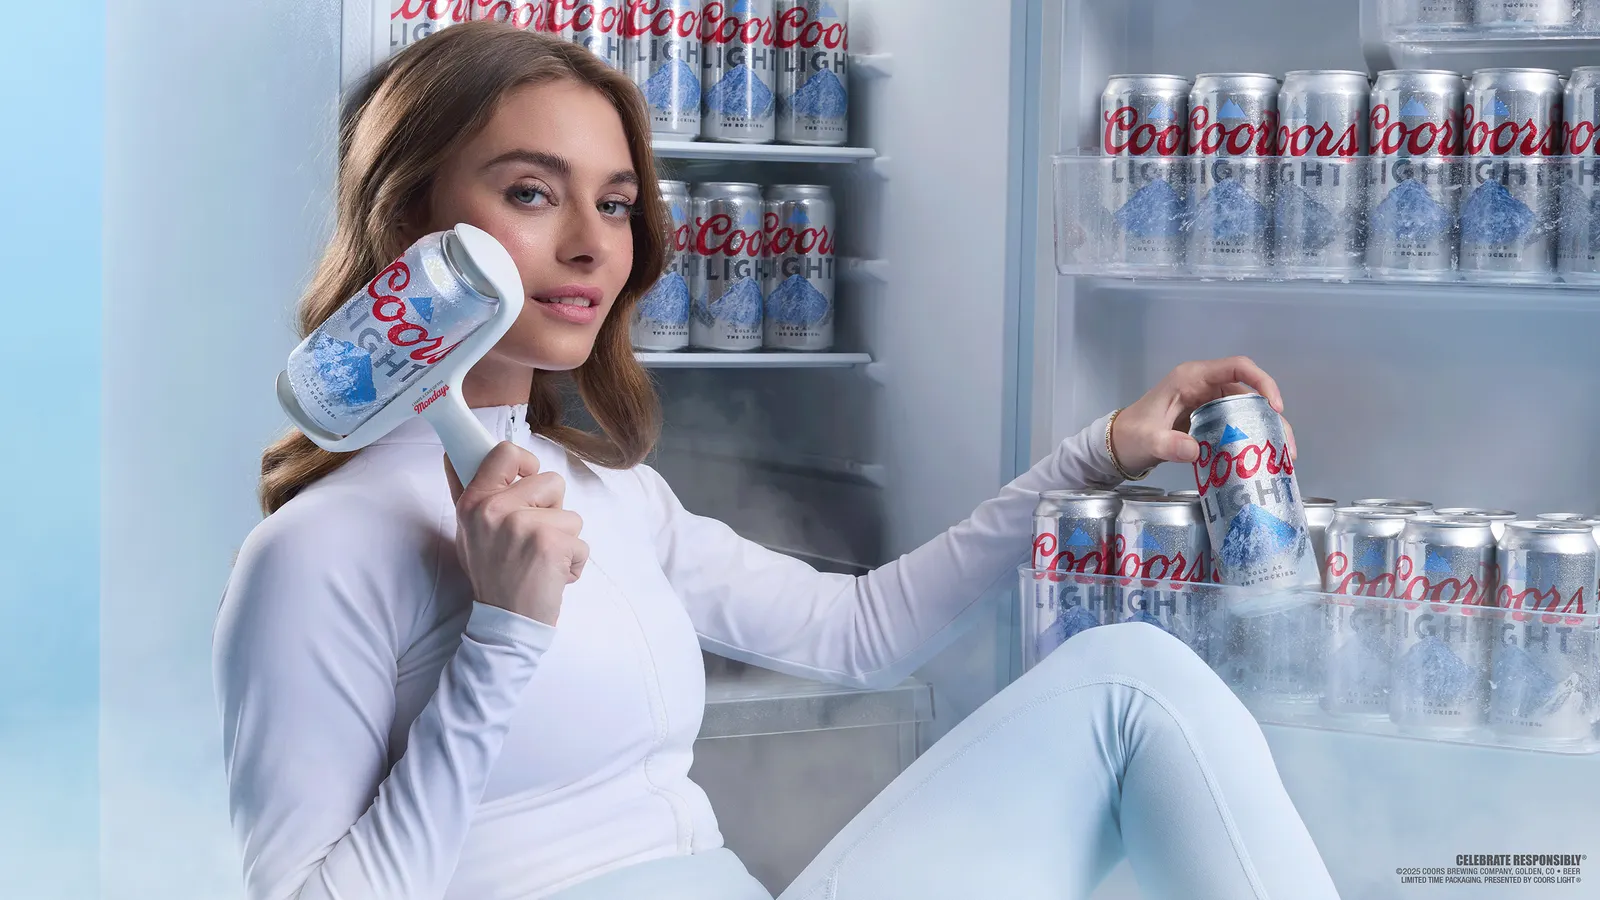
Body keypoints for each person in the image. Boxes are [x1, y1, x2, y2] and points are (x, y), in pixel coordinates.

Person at [213, 22, 1341, 900]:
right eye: (531, 192)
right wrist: (503, 636)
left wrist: (1096, 455)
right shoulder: (319, 549)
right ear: (410, 218)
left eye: (616, 203)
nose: (592, 243)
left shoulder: (615, 497)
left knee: (1131, 684)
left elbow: (859, 631)